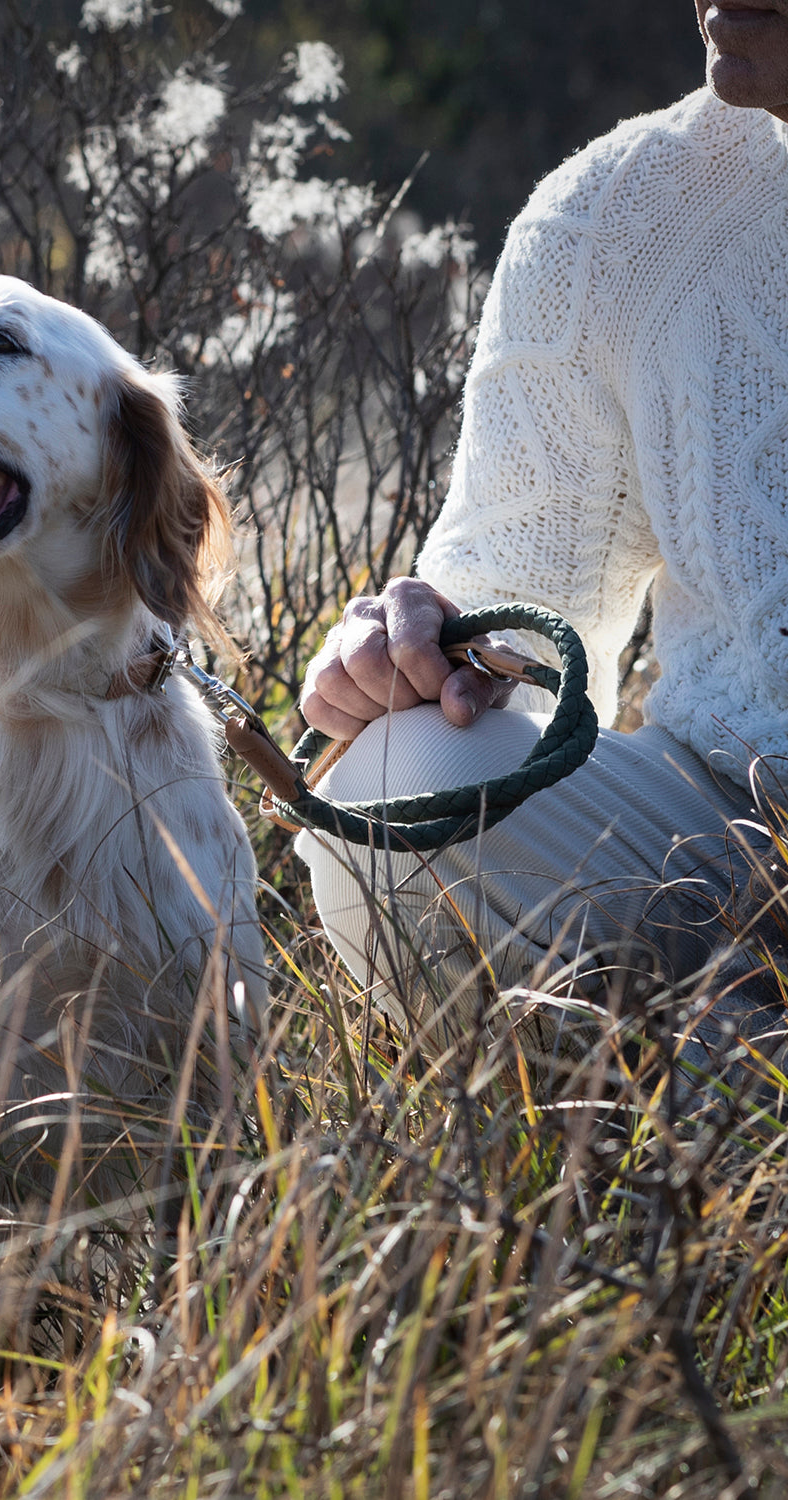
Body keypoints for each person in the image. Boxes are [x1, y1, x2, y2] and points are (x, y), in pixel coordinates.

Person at [296, 2, 788, 1084]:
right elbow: (517, 635)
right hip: (733, 828)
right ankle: (660, 1124)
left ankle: (719, 1100)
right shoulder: (612, 221)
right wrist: (424, 647)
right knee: (404, 783)